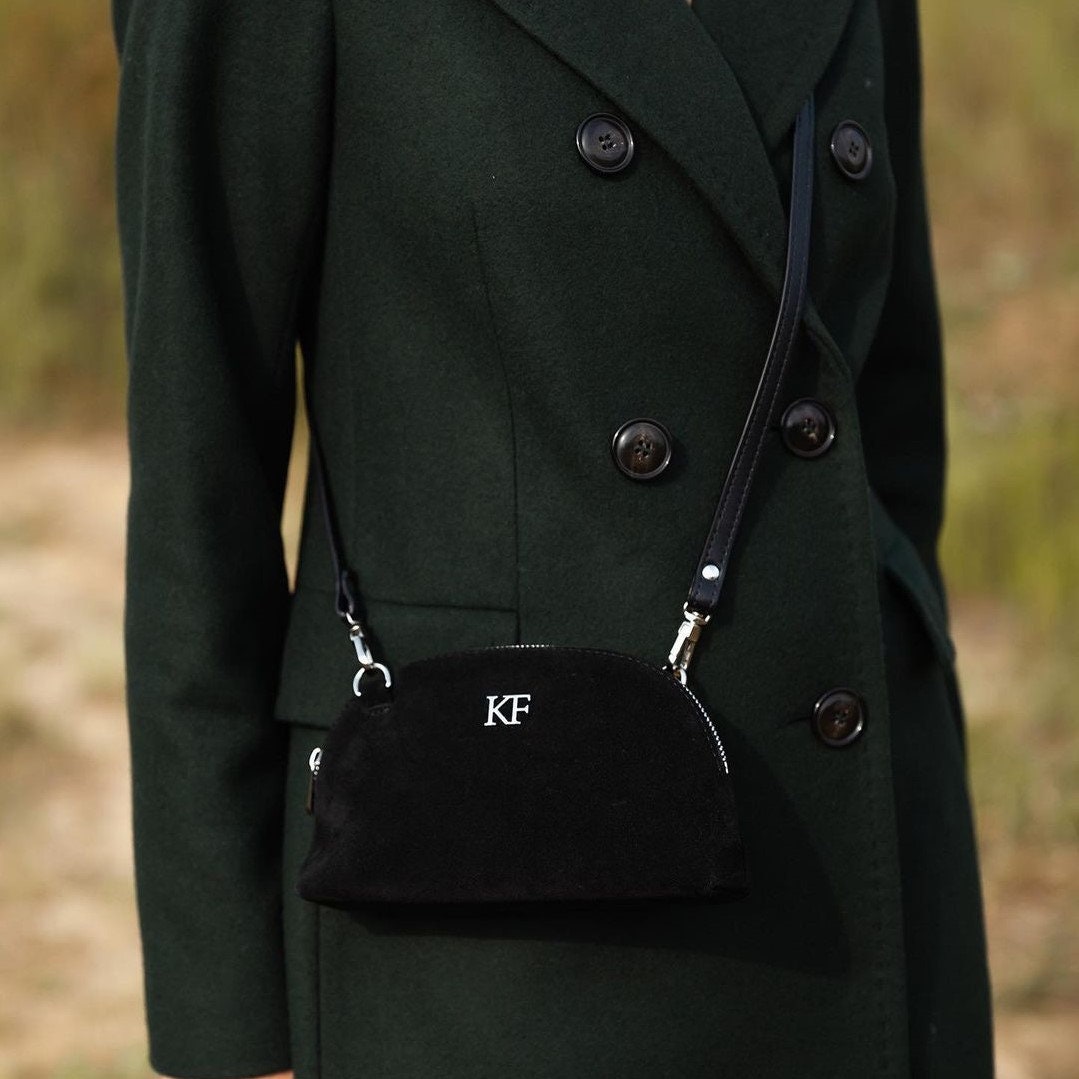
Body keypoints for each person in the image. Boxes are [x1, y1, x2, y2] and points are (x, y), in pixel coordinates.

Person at [110, 0, 994, 1075]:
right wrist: (226, 1024)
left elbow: (884, 411)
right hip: (493, 886)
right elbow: (198, 474)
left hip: (852, 842)